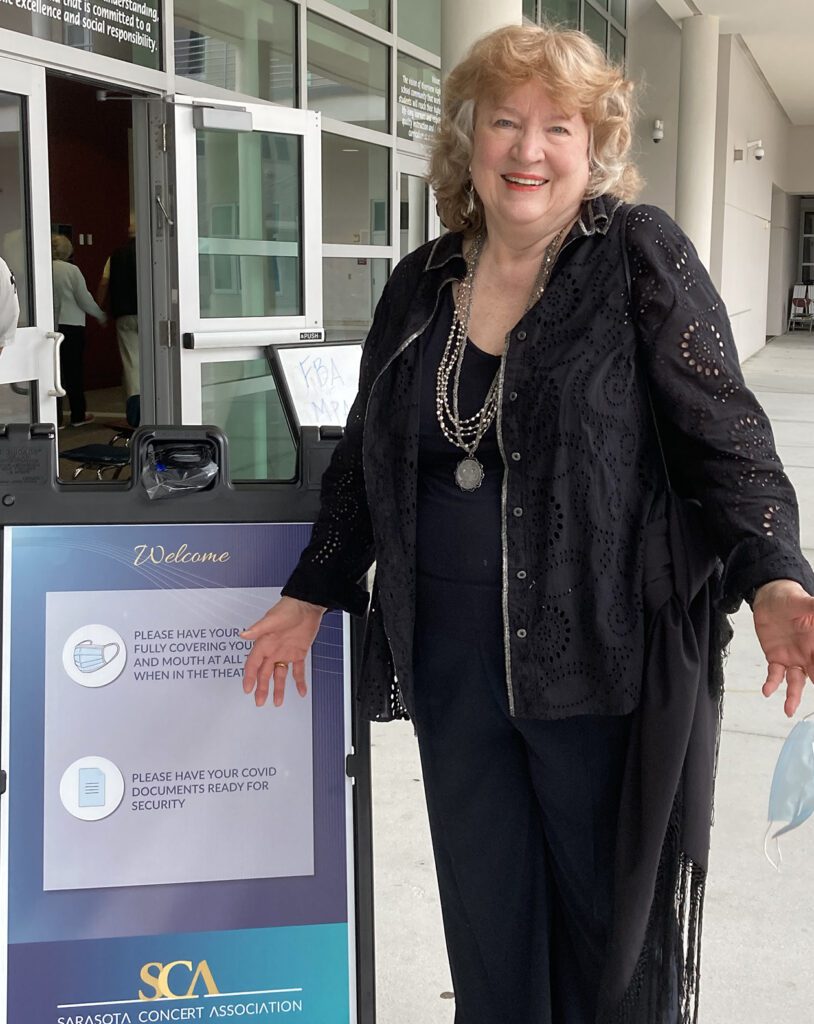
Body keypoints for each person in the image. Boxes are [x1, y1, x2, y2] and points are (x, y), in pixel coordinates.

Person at [241, 25, 814, 1024]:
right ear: (468, 140)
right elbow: (368, 460)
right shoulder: (421, 283)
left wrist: (773, 571)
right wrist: (312, 587)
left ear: (595, 150)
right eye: (505, 122)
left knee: (606, 936)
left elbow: (726, 434)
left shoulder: (635, 255)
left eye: (559, 126)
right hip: (453, 664)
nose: (529, 148)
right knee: (488, 920)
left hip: (596, 657)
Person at [51, 233, 106, 427]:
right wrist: (100, 315)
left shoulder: (41, 267)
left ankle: (54, 418)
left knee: (53, 373)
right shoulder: (72, 270)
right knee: (74, 371)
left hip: (50, 327)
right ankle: (77, 414)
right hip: (72, 325)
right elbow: (84, 298)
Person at [97, 216, 139, 426]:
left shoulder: (115, 256)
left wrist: (99, 309)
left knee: (131, 364)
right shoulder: (153, 252)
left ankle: (135, 413)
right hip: (150, 314)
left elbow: (104, 284)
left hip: (124, 315)